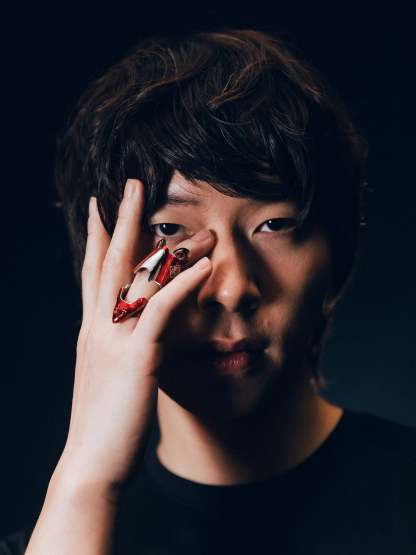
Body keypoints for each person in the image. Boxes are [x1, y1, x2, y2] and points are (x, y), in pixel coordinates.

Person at [2, 27, 415, 555]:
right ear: (102, 268)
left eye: (275, 224)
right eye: (170, 231)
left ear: (337, 252)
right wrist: (85, 479)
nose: (233, 287)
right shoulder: (59, 533)